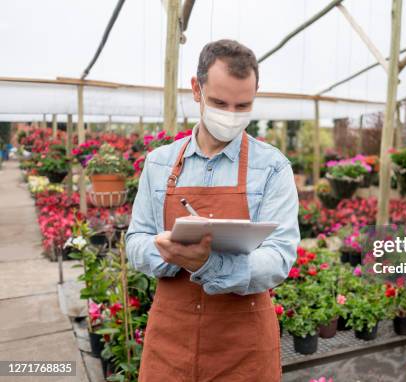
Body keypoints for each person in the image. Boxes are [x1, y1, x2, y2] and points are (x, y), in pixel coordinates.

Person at [126, 39, 300, 382]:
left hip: (244, 346)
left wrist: (210, 264)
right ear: (196, 88)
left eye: (243, 105)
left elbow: (280, 256)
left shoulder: (272, 168)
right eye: (220, 102)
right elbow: (135, 240)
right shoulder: (160, 164)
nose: (231, 116)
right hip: (170, 341)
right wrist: (167, 251)